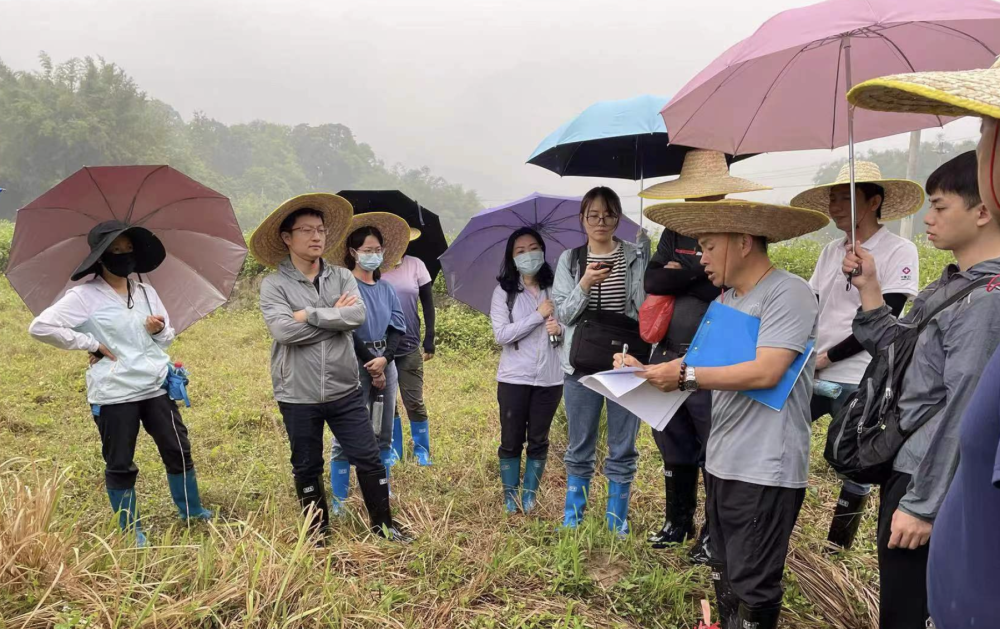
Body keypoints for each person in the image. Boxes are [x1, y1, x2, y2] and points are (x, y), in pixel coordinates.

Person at [619, 199, 828, 629]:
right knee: (725, 572)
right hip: (724, 460)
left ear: (744, 242)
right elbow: (705, 373)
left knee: (753, 584)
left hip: (765, 466)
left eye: (709, 247)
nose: (702, 259)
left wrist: (685, 375)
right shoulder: (728, 300)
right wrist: (644, 372)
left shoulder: (788, 292)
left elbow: (767, 371)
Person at [848, 60, 1000, 629]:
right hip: (908, 461)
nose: (929, 219)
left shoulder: (988, 299)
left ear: (983, 207)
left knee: (912, 612)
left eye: (940, 207)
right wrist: (869, 290)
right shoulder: (952, 285)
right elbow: (903, 355)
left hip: (927, 477)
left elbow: (965, 406)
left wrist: (923, 502)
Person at [29, 221, 213, 547]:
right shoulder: (84, 297)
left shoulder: (146, 291)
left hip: (155, 385)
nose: (124, 256)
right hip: (114, 393)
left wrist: (158, 331)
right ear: (100, 257)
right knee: (120, 462)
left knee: (177, 449)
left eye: (128, 250)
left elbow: (165, 339)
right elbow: (41, 327)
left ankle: (193, 511)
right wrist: (89, 343)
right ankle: (131, 531)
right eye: (116, 251)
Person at [252, 193, 408, 542]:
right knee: (307, 465)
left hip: (344, 387)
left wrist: (309, 313)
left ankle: (384, 526)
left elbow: (356, 315)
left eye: (320, 229)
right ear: (286, 238)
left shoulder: (340, 276)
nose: (316, 236)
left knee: (369, 458)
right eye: (305, 229)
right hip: (298, 391)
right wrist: (333, 317)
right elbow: (283, 331)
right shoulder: (273, 284)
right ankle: (317, 533)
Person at [639, 149, 770, 563]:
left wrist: (685, 274)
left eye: (706, 194)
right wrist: (693, 275)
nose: (699, 201)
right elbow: (653, 279)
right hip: (669, 352)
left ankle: (713, 535)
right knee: (672, 441)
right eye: (693, 195)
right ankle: (677, 523)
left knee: (716, 446)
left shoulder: (739, 231)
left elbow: (729, 288)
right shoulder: (674, 234)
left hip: (715, 359)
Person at [791, 161, 922, 549]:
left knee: (858, 458)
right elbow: (815, 304)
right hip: (813, 367)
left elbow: (887, 315)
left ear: (873, 201)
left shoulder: (900, 250)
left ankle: (838, 542)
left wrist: (827, 358)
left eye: (843, 197)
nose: (833, 204)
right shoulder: (831, 251)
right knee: (788, 435)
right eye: (831, 197)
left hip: (861, 373)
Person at [551, 186, 649, 534]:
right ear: (583, 219)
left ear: (618, 218)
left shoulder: (636, 256)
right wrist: (585, 283)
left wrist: (647, 252)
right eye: (593, 215)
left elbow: (646, 311)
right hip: (581, 363)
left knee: (623, 444)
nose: (601, 221)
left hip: (625, 361)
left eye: (609, 214)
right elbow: (563, 313)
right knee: (580, 442)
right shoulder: (570, 259)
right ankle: (572, 517)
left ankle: (616, 521)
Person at [328, 213, 410, 513]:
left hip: (385, 364)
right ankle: (339, 501)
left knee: (383, 432)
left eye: (377, 250)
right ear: (353, 252)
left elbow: (397, 327)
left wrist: (385, 360)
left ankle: (379, 494)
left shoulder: (387, 289)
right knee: (346, 432)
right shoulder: (345, 287)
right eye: (367, 250)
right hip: (353, 365)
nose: (373, 255)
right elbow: (345, 329)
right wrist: (371, 363)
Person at [489, 227, 563, 514]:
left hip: (550, 378)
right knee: (511, 439)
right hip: (514, 378)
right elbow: (502, 335)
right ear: (512, 257)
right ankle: (511, 497)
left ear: (543, 252)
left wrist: (561, 328)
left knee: (539, 439)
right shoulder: (503, 293)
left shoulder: (557, 288)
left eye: (533, 248)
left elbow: (571, 325)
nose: (528, 254)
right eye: (520, 251)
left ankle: (529, 496)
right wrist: (538, 316)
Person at [382, 246, 436, 467]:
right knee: (388, 403)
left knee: (413, 401)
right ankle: (394, 450)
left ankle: (422, 451)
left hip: (410, 345)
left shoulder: (416, 264)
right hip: (381, 349)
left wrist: (430, 336)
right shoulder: (376, 267)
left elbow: (428, 303)